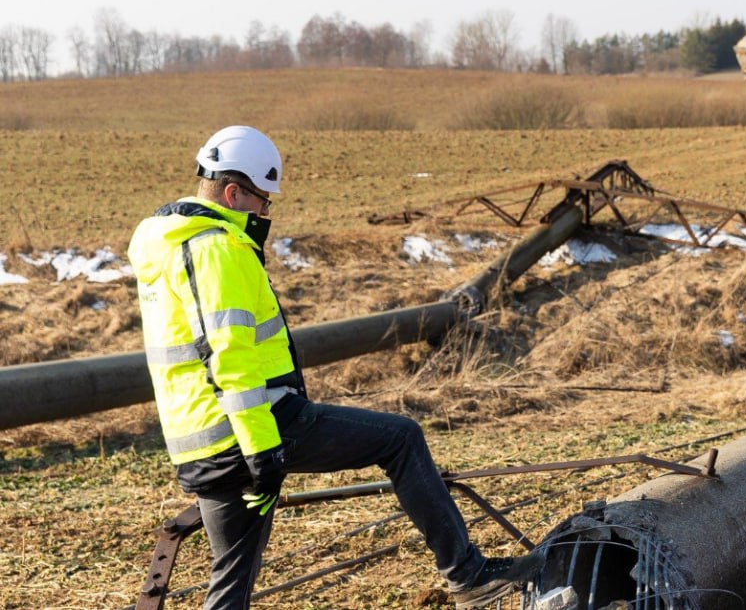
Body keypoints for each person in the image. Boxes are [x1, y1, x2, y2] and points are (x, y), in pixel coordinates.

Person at [126, 126, 543, 610]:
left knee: (230, 585)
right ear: (233, 192)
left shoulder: (167, 245)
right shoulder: (216, 249)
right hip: (249, 432)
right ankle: (467, 576)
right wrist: (263, 455)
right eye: (262, 201)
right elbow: (230, 359)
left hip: (202, 446)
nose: (265, 214)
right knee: (401, 438)